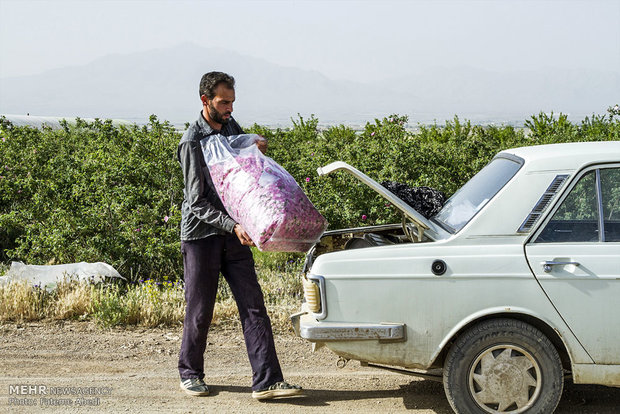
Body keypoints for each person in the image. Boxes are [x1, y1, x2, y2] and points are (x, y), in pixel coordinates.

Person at [176, 71, 302, 400]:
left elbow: (242, 159)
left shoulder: (230, 125)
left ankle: (267, 381)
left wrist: (255, 144)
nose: (230, 107)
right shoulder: (192, 140)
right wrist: (232, 224)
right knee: (200, 310)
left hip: (236, 233)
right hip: (203, 235)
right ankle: (190, 373)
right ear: (205, 101)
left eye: (232, 101)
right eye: (223, 102)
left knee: (253, 305)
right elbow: (195, 202)